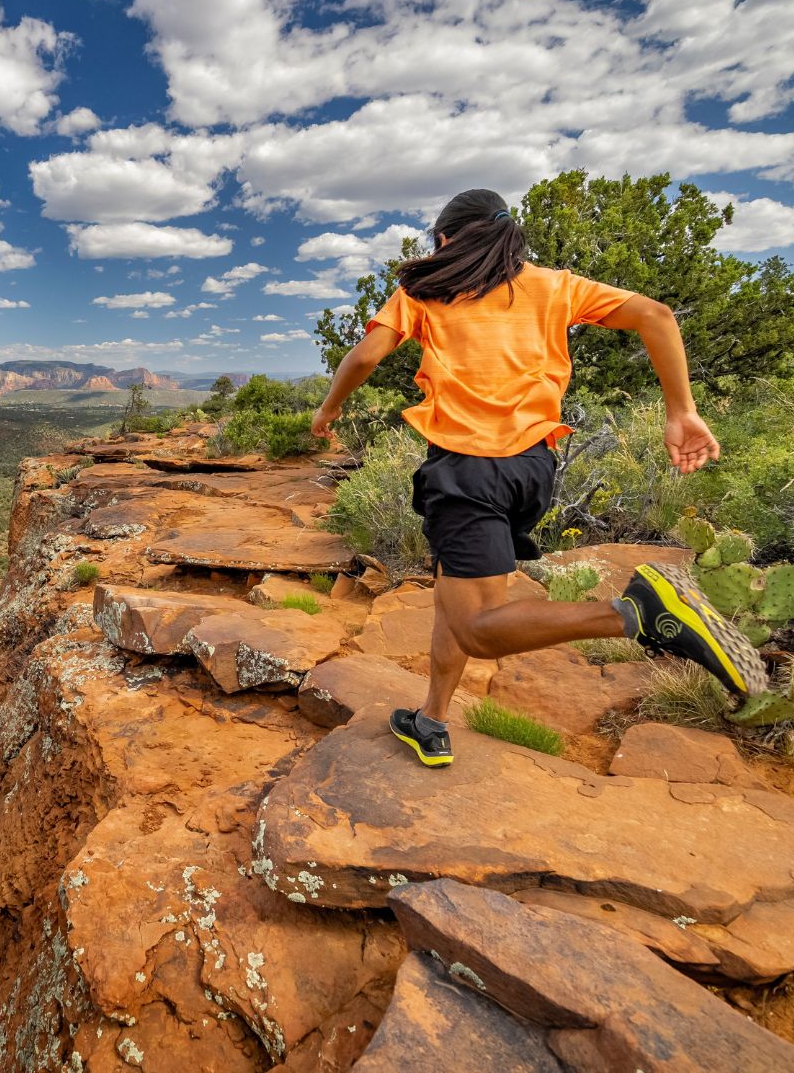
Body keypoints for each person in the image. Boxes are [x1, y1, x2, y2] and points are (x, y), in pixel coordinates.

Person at [310, 188, 766, 768]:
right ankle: (432, 719)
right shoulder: (555, 286)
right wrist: (681, 410)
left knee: (478, 627)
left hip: (464, 470)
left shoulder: (424, 291)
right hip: (531, 469)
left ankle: (636, 613)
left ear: (446, 240)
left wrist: (328, 410)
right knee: (458, 598)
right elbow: (656, 315)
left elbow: (365, 357)